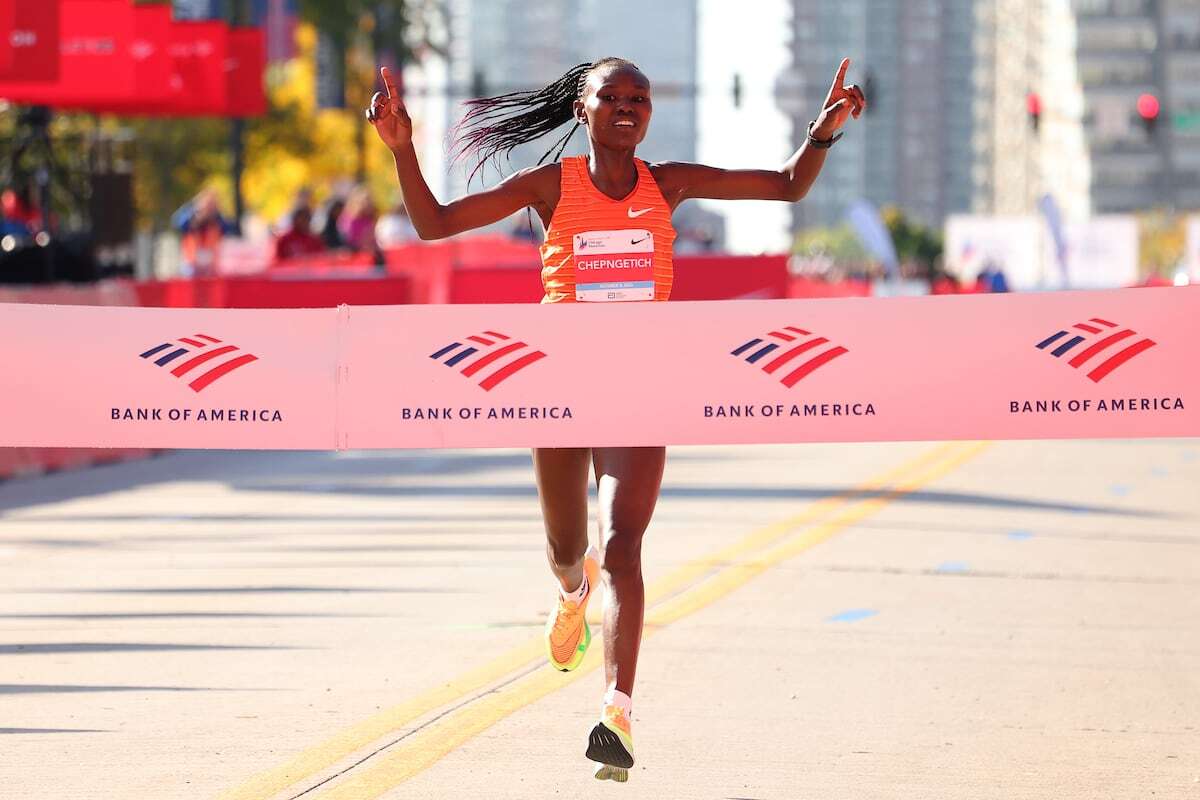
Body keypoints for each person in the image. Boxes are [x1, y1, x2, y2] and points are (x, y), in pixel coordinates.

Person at [367, 56, 864, 781]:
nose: (629, 106)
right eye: (613, 96)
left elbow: (785, 187)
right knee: (572, 552)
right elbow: (435, 223)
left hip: (639, 389)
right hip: (560, 391)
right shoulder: (550, 187)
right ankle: (570, 594)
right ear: (583, 109)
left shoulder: (670, 184)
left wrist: (822, 133)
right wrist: (402, 148)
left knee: (624, 548)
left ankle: (617, 712)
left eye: (641, 96)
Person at [171, 188, 234, 277]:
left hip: (211, 265)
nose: (208, 208)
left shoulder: (217, 220)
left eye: (211, 205)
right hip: (191, 264)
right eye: (207, 204)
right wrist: (195, 213)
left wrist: (216, 214)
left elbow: (229, 228)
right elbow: (178, 223)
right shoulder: (191, 217)